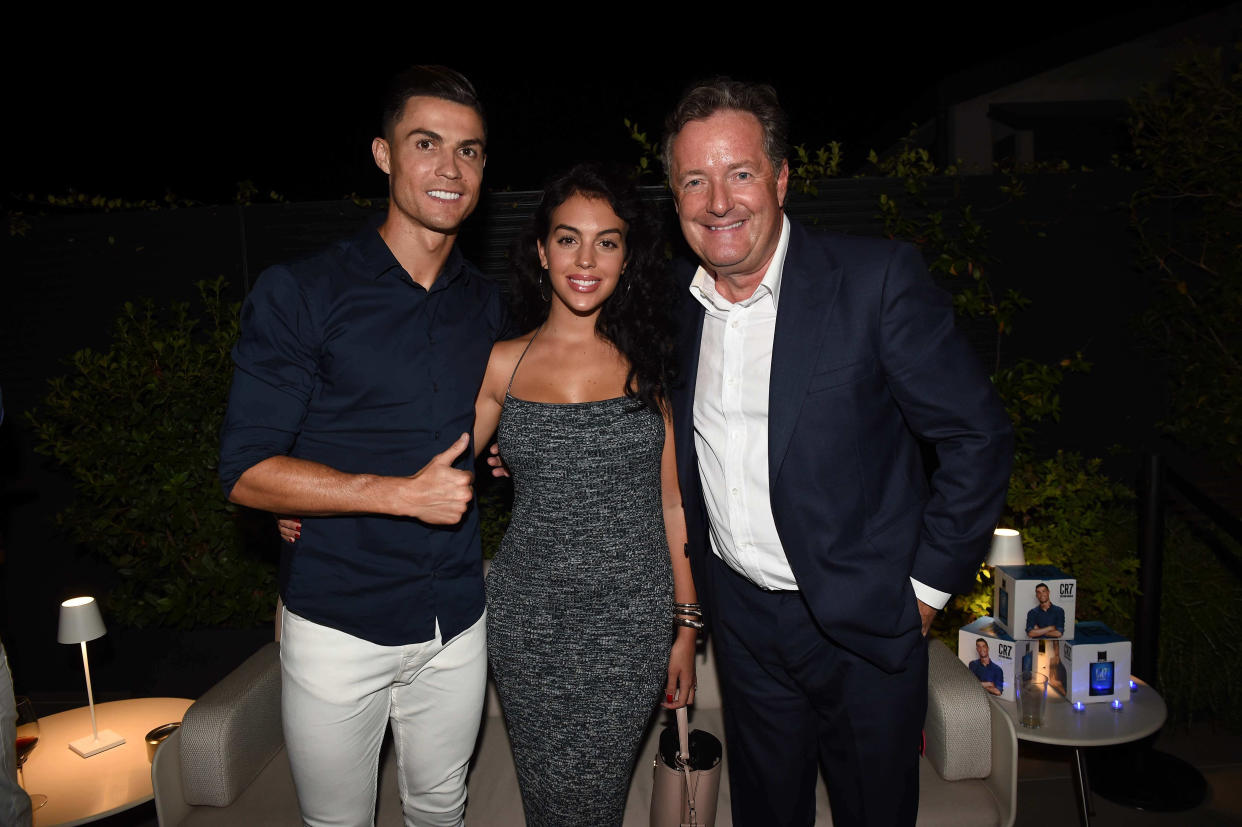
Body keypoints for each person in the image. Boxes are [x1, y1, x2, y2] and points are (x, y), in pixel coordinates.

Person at [663, 79, 1013, 826]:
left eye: (741, 173)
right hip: (747, 626)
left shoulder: (873, 280)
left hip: (866, 626)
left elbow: (977, 435)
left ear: (782, 178)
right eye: (696, 179)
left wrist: (922, 594)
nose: (718, 201)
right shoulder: (681, 309)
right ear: (675, 196)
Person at [218, 66, 506, 827]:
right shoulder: (303, 291)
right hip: (338, 620)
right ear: (383, 154)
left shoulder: (490, 303)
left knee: (442, 807)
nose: (451, 168)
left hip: (455, 619)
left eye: (470, 151)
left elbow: (494, 415)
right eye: (427, 143)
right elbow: (247, 471)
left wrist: (510, 451)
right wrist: (394, 493)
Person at [474, 162, 697, 825]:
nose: (587, 258)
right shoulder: (499, 363)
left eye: (608, 240)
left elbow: (674, 503)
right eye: (568, 238)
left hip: (631, 622)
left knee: (594, 798)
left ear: (627, 257)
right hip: (529, 623)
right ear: (541, 251)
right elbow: (431, 472)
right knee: (551, 801)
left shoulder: (653, 363)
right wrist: (322, 498)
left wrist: (685, 627)